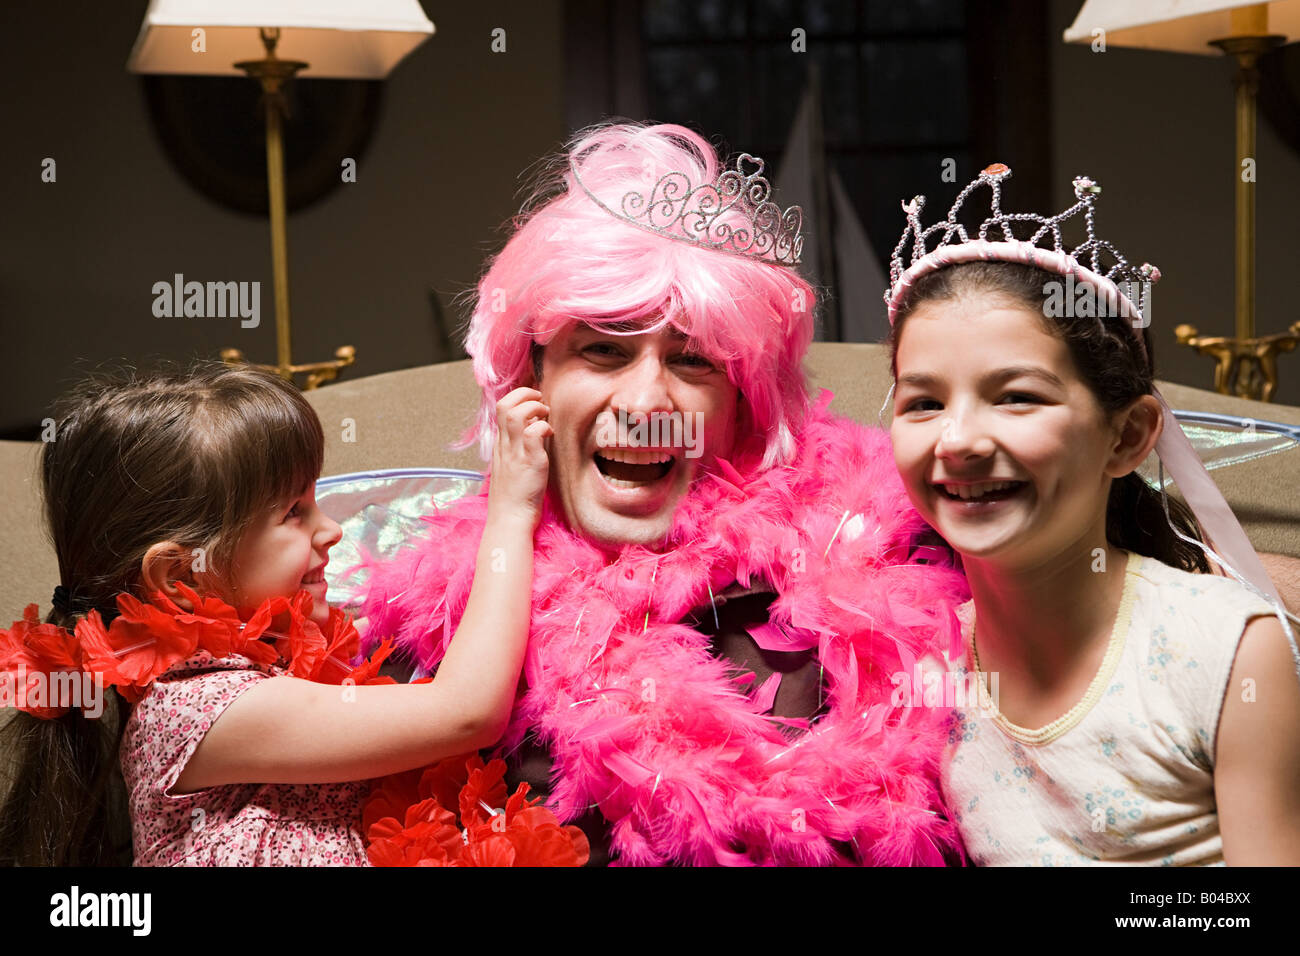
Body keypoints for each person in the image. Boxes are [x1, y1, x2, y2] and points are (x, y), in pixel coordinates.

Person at [360, 123, 970, 866]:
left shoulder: (881, 548)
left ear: (744, 405)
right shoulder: (444, 614)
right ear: (532, 381)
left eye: (693, 362)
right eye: (604, 350)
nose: (649, 402)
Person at [886, 164, 1300, 865]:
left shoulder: (1223, 650)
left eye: (1016, 396)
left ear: (1128, 436)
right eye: (923, 403)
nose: (958, 442)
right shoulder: (914, 658)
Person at [0, 363, 550, 866]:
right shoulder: (194, 711)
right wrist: (510, 512)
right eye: (294, 512)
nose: (331, 529)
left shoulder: (281, 665)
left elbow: (414, 637)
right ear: (181, 576)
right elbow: (466, 711)